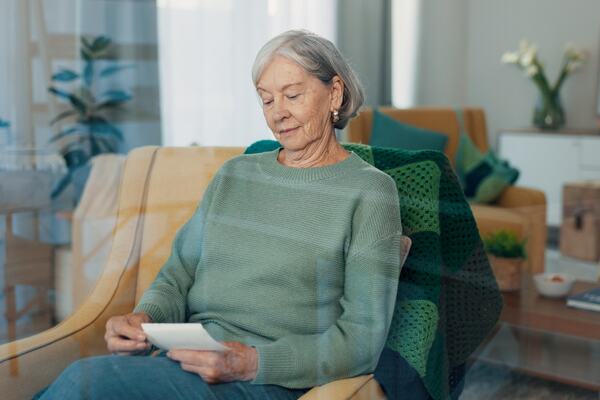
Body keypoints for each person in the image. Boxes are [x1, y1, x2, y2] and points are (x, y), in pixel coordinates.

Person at [39, 29, 402, 400]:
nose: (278, 113)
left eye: (292, 95)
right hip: (184, 362)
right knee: (83, 381)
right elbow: (178, 275)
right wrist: (146, 319)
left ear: (335, 93)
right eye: (266, 100)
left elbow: (362, 338)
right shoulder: (235, 175)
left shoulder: (370, 191)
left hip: (266, 379)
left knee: (87, 382)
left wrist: (251, 362)